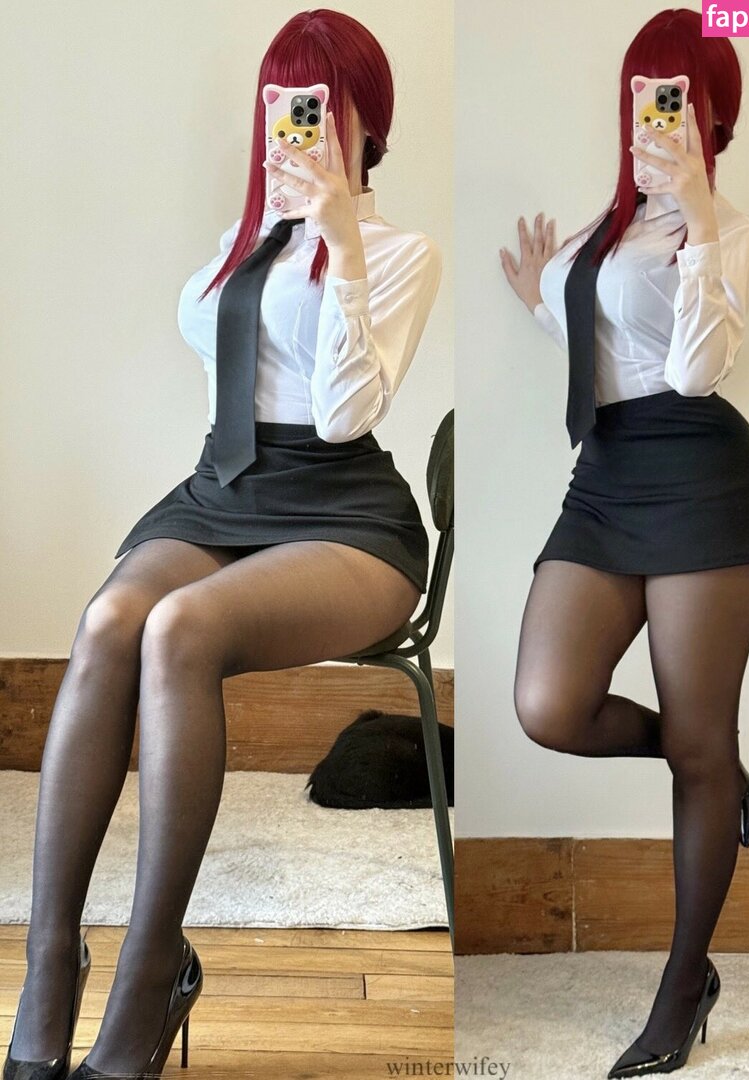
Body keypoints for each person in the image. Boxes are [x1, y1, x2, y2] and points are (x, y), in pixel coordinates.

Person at [3, 10, 441, 1080]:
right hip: (223, 492)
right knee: (112, 618)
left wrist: (339, 243)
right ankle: (49, 963)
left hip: (345, 515)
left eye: (322, 105)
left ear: (367, 123)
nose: (300, 126)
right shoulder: (237, 248)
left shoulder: (399, 253)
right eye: (284, 103)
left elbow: (342, 414)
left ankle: (151, 970)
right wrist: (278, 236)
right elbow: (221, 374)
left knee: (181, 630)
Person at [500, 9, 749, 1077]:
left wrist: (702, 217)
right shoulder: (606, 227)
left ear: (714, 116)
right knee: (549, 704)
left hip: (705, 484)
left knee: (696, 749)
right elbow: (612, 342)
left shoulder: (732, 231)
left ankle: (684, 985)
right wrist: (546, 298)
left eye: (675, 96)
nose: (651, 116)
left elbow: (695, 369)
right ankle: (708, 758)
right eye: (641, 93)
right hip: (608, 480)